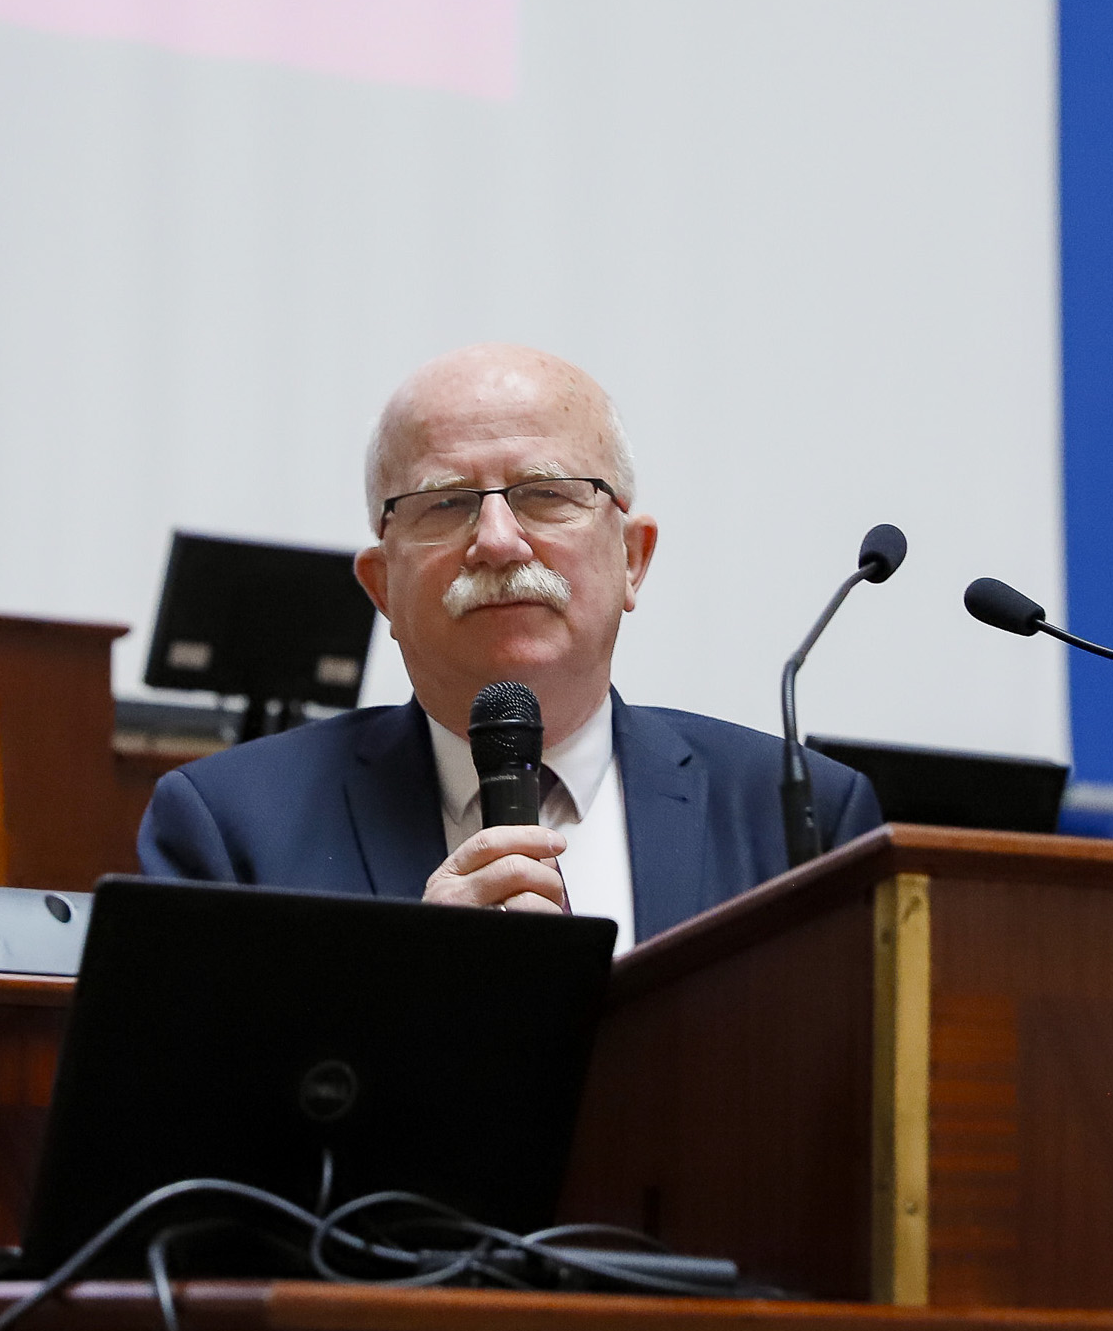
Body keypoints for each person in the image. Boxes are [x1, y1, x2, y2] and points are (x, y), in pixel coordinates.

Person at [135, 344, 881, 949]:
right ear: (381, 587)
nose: (497, 540)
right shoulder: (229, 828)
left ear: (633, 558)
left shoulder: (802, 815)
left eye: (547, 494)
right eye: (447, 502)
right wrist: (400, 997)